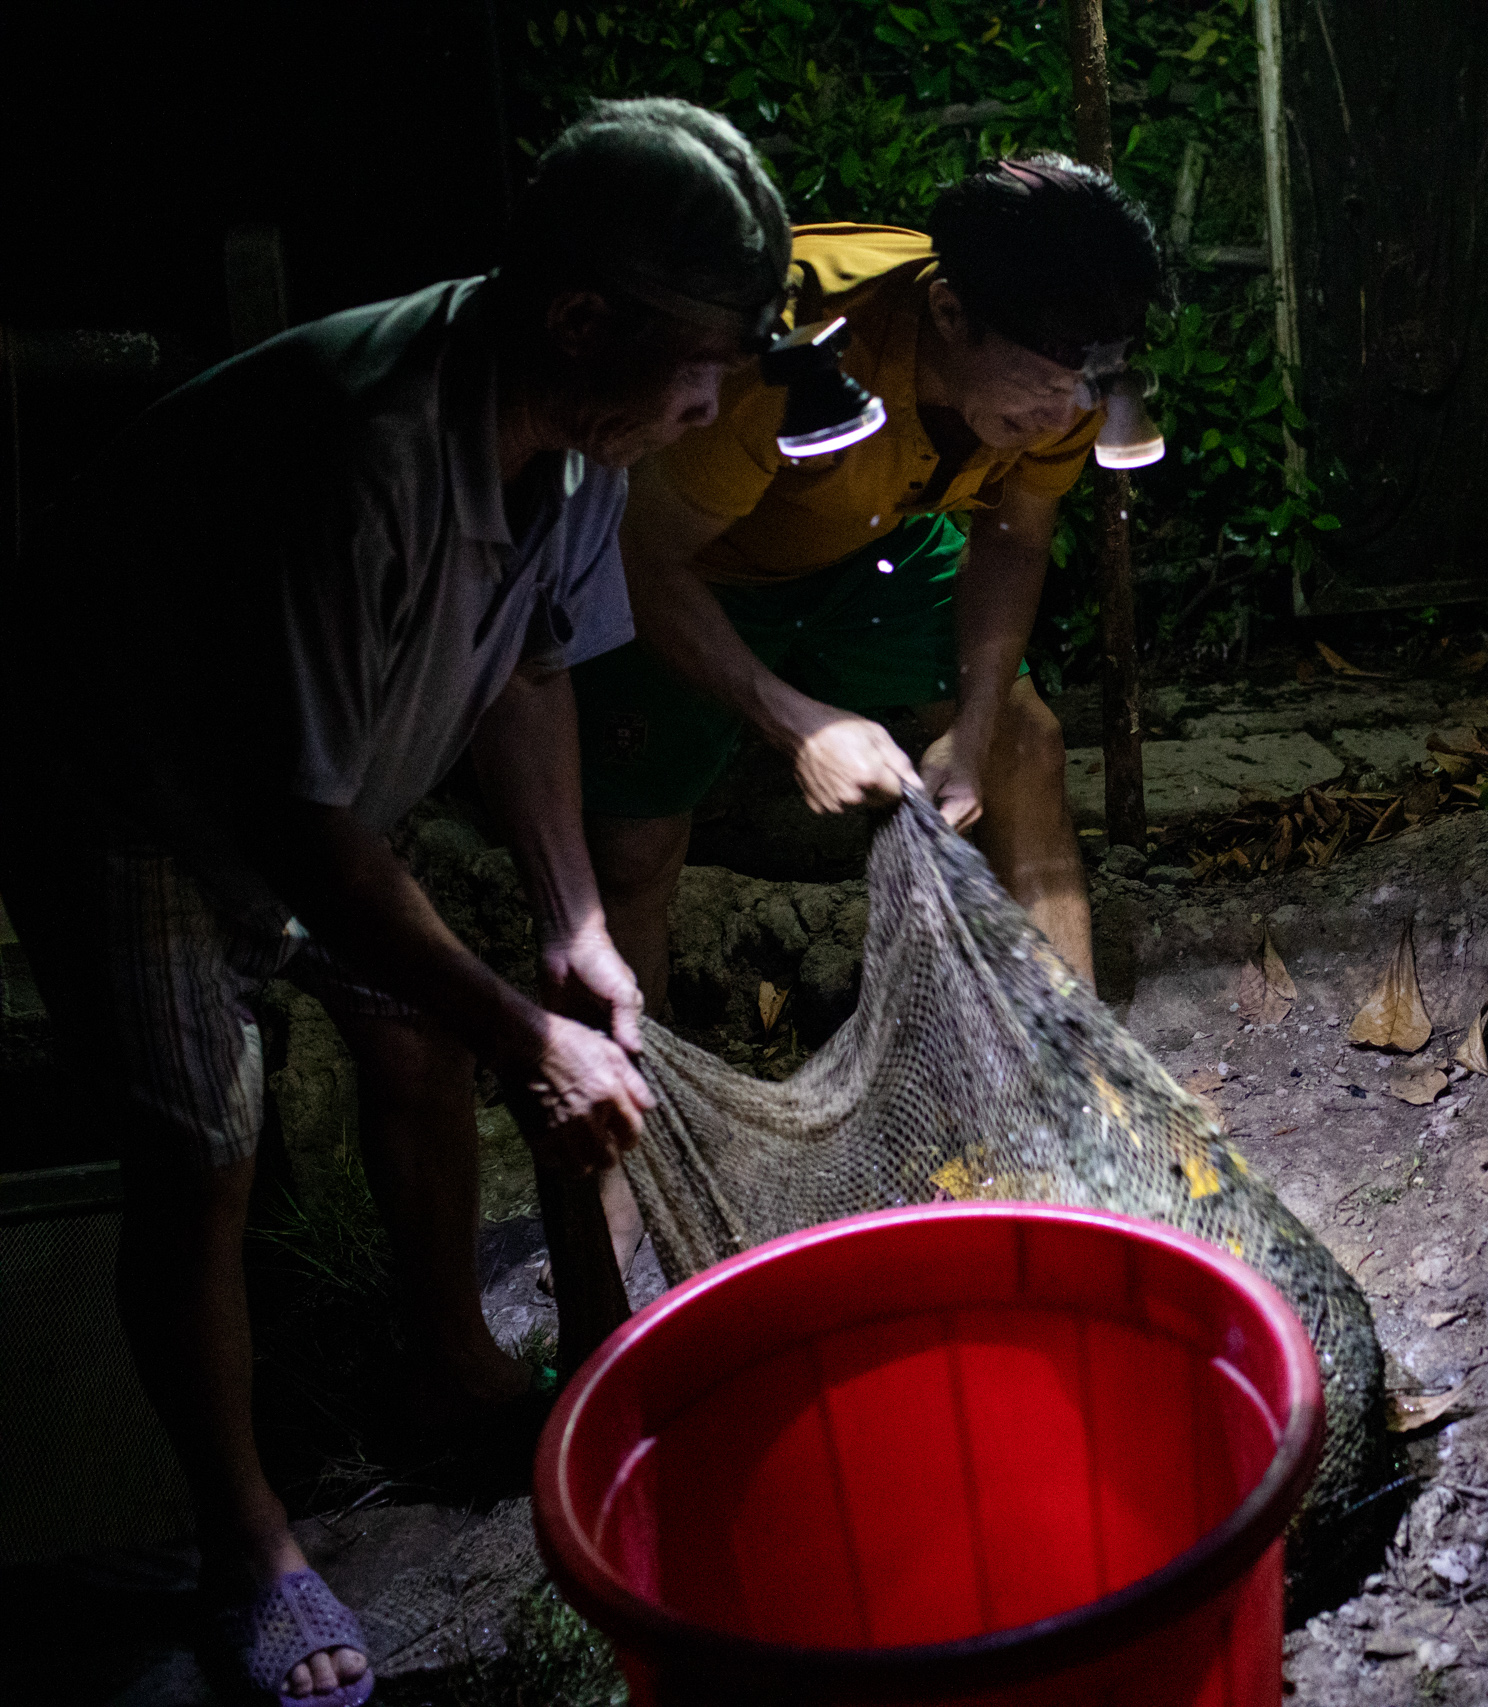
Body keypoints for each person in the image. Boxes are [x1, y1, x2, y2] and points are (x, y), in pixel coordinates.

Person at [0, 99, 790, 1705]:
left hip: (319, 792)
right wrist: (528, 1033)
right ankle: (249, 1542)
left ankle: (448, 1375)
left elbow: (535, 672)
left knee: (418, 1038)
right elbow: (296, 834)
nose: (713, 403)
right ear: (581, 318)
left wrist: (572, 921)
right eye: (701, 362)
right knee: (203, 1146)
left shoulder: (581, 439)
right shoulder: (365, 450)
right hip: (131, 789)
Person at [572, 153, 1160, 1267]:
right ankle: (620, 1147)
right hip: (692, 565)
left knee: (1026, 742)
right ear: (949, 312)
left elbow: (1013, 535)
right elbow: (638, 556)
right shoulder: (780, 351)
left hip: (878, 536)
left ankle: (1074, 1076)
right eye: (1043, 383)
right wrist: (794, 719)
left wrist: (971, 733)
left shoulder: (1069, 362)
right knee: (634, 850)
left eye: (1083, 387)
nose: (1064, 412)